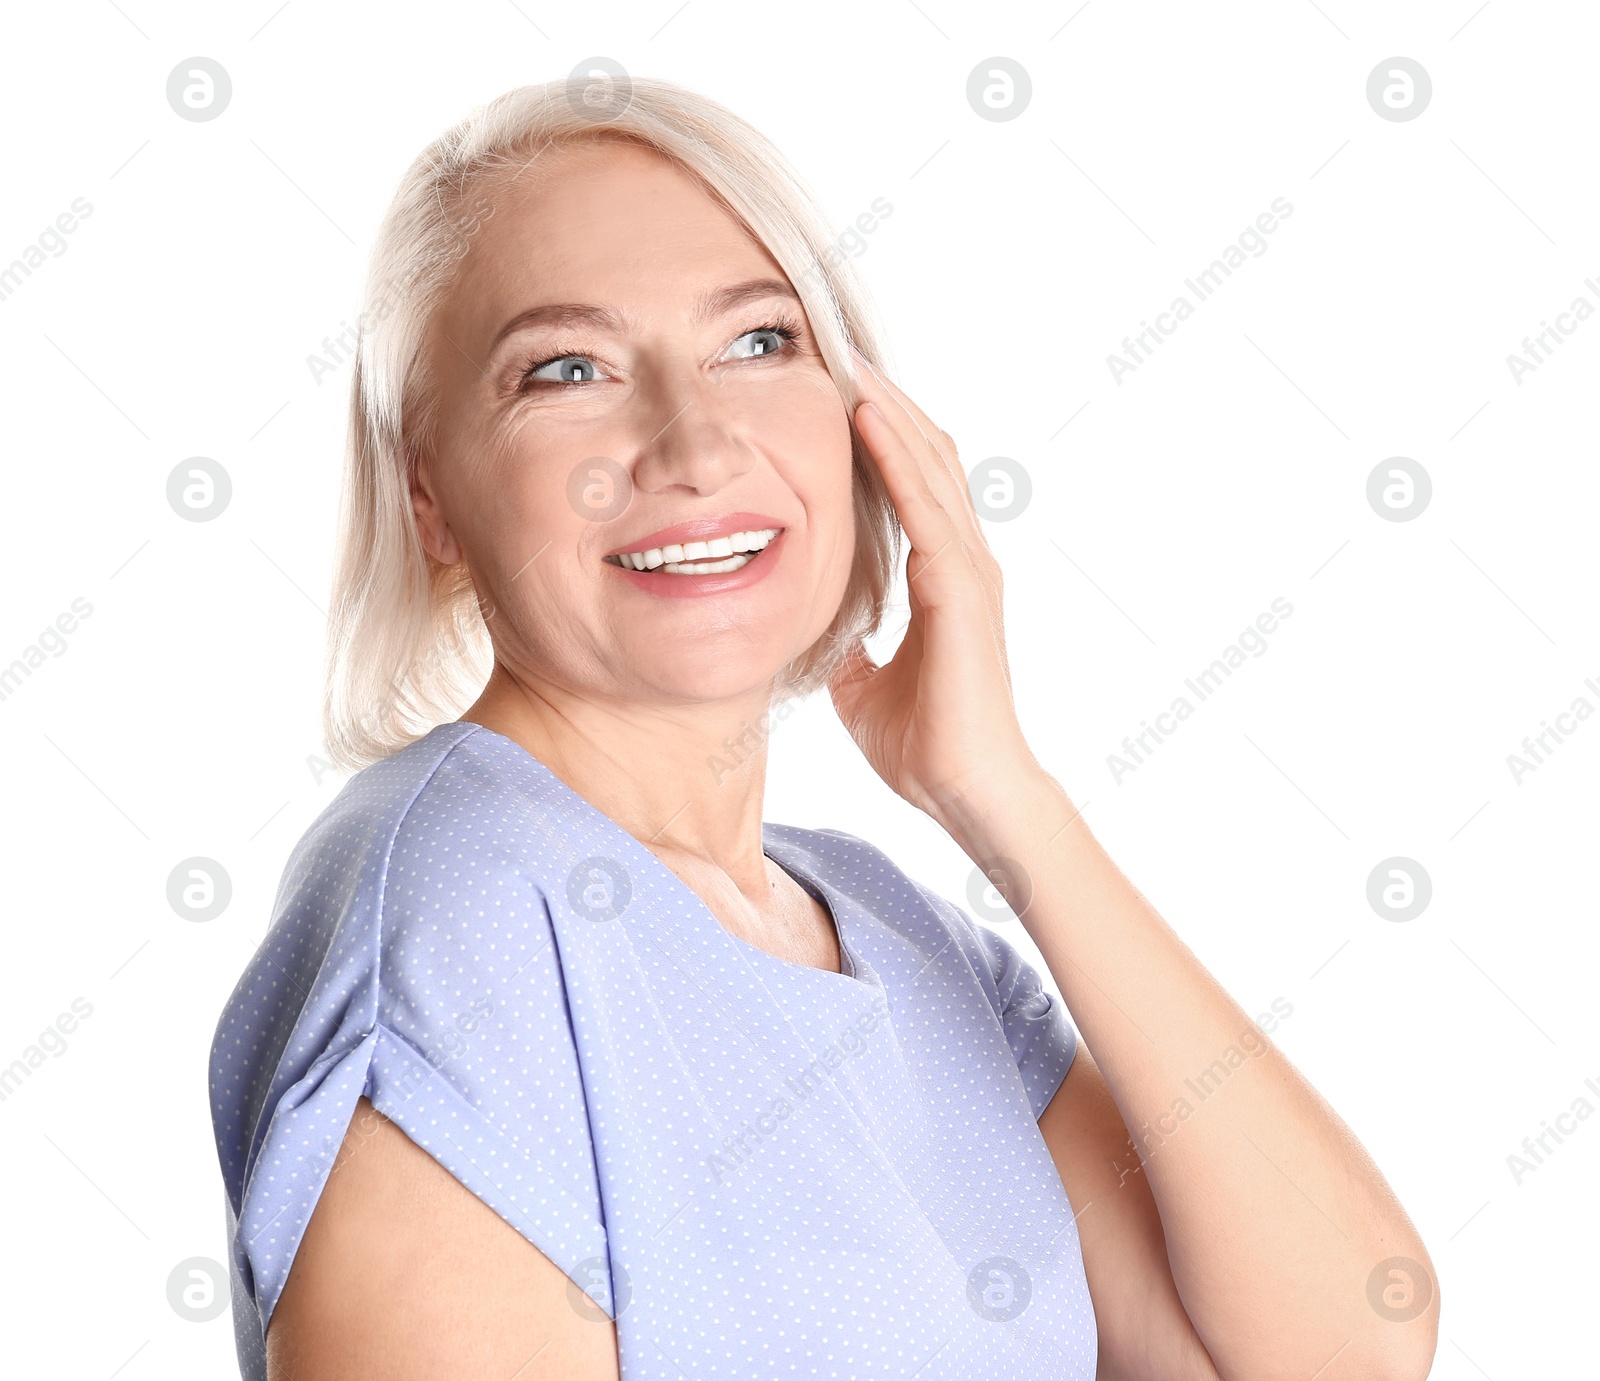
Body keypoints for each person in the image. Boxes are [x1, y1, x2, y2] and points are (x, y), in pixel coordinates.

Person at [209, 75, 1439, 1381]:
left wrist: (1002, 794)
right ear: (432, 498)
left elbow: (1344, 1342)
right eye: (566, 369)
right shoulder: (458, 910)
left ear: (867, 425)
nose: (693, 441)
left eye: (759, 341)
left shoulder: (893, 928)